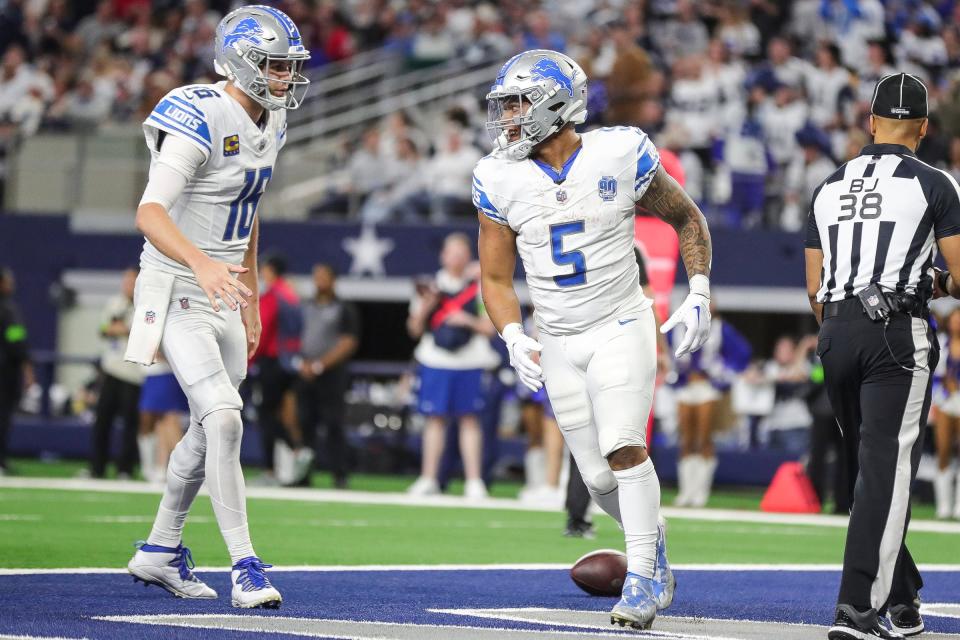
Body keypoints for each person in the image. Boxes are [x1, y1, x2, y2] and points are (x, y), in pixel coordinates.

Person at [476, 50, 712, 630]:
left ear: (556, 104)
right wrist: (511, 333)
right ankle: (651, 541)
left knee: (624, 446)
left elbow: (687, 217)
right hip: (557, 337)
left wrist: (699, 289)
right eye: (504, 104)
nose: (506, 116)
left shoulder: (618, 152)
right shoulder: (497, 177)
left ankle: (639, 580)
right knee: (599, 478)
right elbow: (495, 277)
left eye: (517, 103)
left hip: (621, 324)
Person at [124, 5, 311, 609]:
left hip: (226, 288)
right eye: (275, 65)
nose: (285, 76)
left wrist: (249, 291)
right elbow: (149, 212)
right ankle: (246, 566)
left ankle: (159, 549)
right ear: (241, 61)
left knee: (211, 428)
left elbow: (248, 208)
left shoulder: (274, 119)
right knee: (225, 418)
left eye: (289, 66)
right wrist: (201, 264)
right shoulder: (199, 113)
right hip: (178, 285)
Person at [806, 73, 960, 640]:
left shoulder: (828, 185)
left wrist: (839, 334)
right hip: (895, 331)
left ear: (870, 123)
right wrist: (934, 286)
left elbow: (813, 285)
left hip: (836, 330)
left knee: (870, 473)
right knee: (884, 473)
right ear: (922, 127)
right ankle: (857, 609)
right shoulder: (934, 183)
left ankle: (901, 597)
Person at [406, 232, 498, 499]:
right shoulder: (430, 286)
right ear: (443, 256)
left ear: (468, 256)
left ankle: (473, 480)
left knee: (469, 420)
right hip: (436, 361)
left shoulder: (479, 288)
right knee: (434, 419)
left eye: (461, 253)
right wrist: (426, 307)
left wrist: (465, 321)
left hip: (470, 362)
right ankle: (428, 477)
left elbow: (490, 329)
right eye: (451, 253)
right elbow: (413, 329)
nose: (456, 259)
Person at [670, 304, 751, 507]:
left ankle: (700, 492)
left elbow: (743, 352)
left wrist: (723, 370)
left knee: (704, 438)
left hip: (708, 387)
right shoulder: (678, 329)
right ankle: (686, 491)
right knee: (686, 440)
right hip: (685, 386)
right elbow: (665, 350)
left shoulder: (720, 328)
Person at [297, 263, 360, 489]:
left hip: (332, 375)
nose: (319, 281)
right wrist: (303, 363)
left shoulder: (344, 309)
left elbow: (348, 342)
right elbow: (298, 337)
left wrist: (320, 365)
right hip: (306, 374)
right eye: (316, 276)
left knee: (334, 424)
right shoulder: (305, 306)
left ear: (333, 280)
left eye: (324, 276)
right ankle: (302, 474)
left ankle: (339, 474)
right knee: (305, 424)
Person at [251, 253, 310, 486]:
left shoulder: (272, 296)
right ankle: (289, 458)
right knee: (277, 413)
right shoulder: (292, 295)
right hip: (289, 362)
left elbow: (262, 331)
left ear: (270, 271)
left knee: (265, 414)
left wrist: (249, 360)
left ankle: (276, 466)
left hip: (272, 361)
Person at [89, 266, 144, 480]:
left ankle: (125, 468)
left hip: (133, 373)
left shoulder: (144, 304)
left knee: (131, 424)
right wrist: (120, 329)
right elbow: (103, 329)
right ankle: (97, 467)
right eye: (126, 281)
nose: (128, 285)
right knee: (102, 420)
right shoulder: (115, 302)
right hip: (111, 369)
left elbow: (136, 331)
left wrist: (120, 329)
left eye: (132, 281)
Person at [0, 266, 31, 476]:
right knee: (3, 417)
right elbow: (16, 341)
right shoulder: (8, 309)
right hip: (5, 372)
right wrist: (26, 366)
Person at [933, 308, 960, 520]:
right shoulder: (942, 343)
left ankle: (959, 505)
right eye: (954, 320)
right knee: (943, 451)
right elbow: (934, 375)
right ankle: (943, 505)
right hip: (945, 401)